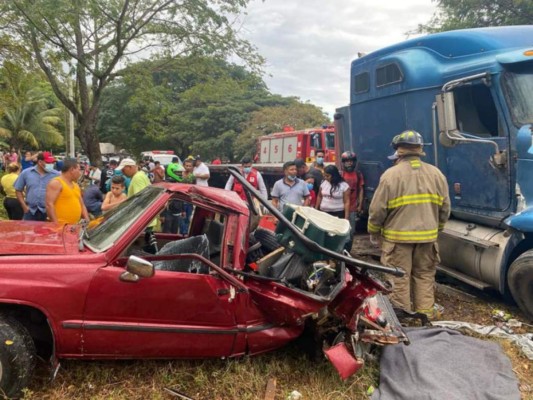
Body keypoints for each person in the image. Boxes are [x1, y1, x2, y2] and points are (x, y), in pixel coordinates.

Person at [367, 130, 451, 319]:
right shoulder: (436, 174)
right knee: (424, 276)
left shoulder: (391, 175)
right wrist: (437, 229)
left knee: (399, 278)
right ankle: (425, 317)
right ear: (420, 149)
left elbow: (377, 209)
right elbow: (445, 208)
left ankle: (403, 319)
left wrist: (374, 231)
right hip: (428, 238)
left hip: (398, 238)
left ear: (398, 151)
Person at [117, 157, 157, 252]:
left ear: (130, 167)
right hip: (147, 220)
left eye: (123, 169)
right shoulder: (140, 175)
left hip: (143, 221)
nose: (122, 172)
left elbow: (141, 200)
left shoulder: (137, 178)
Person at [14, 151, 59, 221]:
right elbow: (18, 189)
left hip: (48, 212)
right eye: (48, 163)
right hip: (30, 211)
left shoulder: (56, 175)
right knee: (27, 231)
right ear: (40, 162)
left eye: (52, 163)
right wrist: (24, 206)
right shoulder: (26, 173)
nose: (51, 165)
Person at [45, 158, 89, 224]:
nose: (80, 173)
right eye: (79, 170)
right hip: (61, 228)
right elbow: (49, 204)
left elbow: (82, 205)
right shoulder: (56, 183)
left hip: (73, 227)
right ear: (72, 170)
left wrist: (87, 220)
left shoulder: (75, 185)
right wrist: (56, 225)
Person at [340, 151, 365, 251]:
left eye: (351, 161)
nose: (349, 163)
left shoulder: (358, 174)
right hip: (341, 208)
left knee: (351, 231)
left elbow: (361, 189)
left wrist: (360, 204)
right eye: (347, 161)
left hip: (353, 208)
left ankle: (348, 251)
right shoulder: (340, 174)